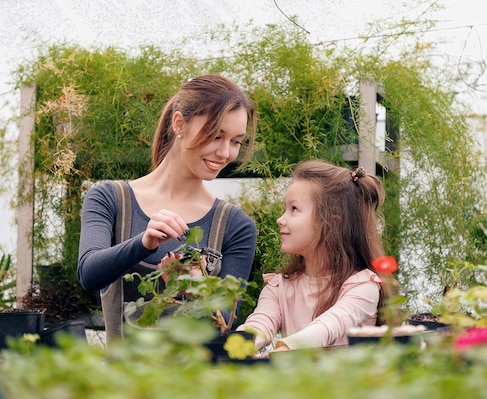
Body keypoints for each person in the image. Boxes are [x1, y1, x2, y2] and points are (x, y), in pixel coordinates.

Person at [77, 74, 258, 341]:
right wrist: (143, 242)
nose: (225, 153)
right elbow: (89, 274)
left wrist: (197, 284)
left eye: (236, 141)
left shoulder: (235, 225)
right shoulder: (110, 198)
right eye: (216, 135)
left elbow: (225, 321)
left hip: (199, 381)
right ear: (179, 123)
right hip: (122, 381)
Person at [237, 160, 386, 352]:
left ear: (332, 222)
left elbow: (326, 329)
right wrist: (239, 345)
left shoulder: (362, 286)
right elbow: (259, 324)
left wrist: (282, 351)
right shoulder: (279, 287)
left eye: (294, 209)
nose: (280, 219)